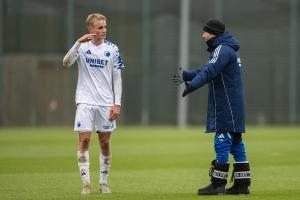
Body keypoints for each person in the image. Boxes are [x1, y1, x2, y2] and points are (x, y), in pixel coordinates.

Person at [173, 18, 251, 195]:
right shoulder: (227, 49)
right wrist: (187, 75)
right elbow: (207, 68)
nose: (202, 35)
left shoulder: (222, 49)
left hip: (227, 104)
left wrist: (191, 86)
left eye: (205, 32)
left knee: (222, 141)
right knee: (236, 143)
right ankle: (242, 184)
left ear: (214, 33)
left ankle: (217, 185)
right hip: (234, 104)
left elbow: (209, 71)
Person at [62, 13, 124, 195]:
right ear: (90, 28)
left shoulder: (113, 49)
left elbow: (117, 78)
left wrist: (117, 103)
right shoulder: (82, 47)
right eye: (99, 27)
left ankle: (103, 183)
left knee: (104, 142)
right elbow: (66, 63)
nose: (103, 31)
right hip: (85, 101)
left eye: (105, 27)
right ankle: (86, 184)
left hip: (106, 103)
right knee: (85, 140)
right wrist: (77, 42)